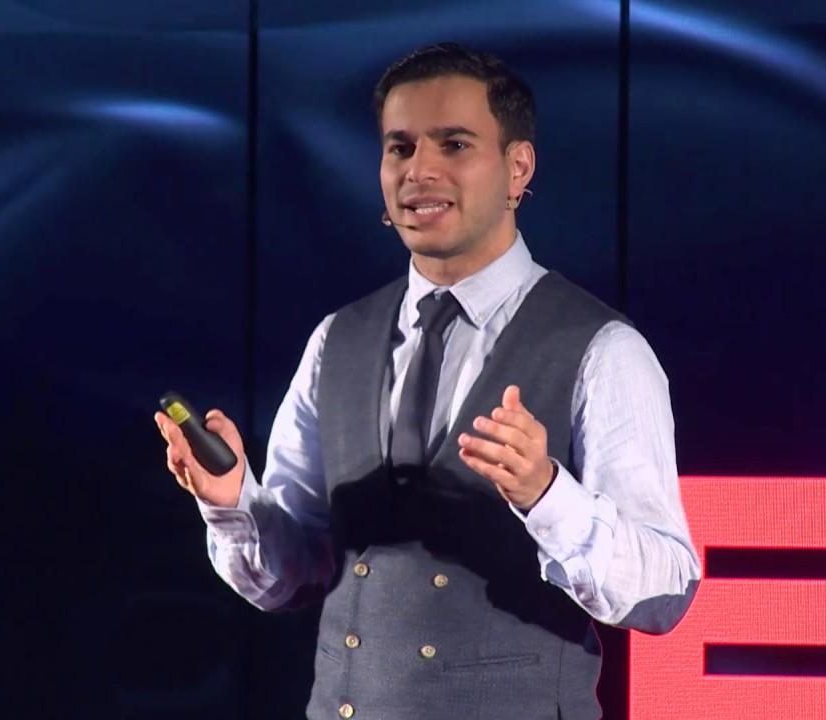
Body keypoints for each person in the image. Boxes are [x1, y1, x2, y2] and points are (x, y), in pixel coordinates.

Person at [154, 42, 700, 720]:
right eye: (400, 147)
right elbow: (290, 577)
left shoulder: (603, 350)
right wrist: (233, 502)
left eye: (454, 144)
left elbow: (665, 594)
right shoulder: (337, 340)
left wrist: (547, 493)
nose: (420, 170)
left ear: (517, 168)